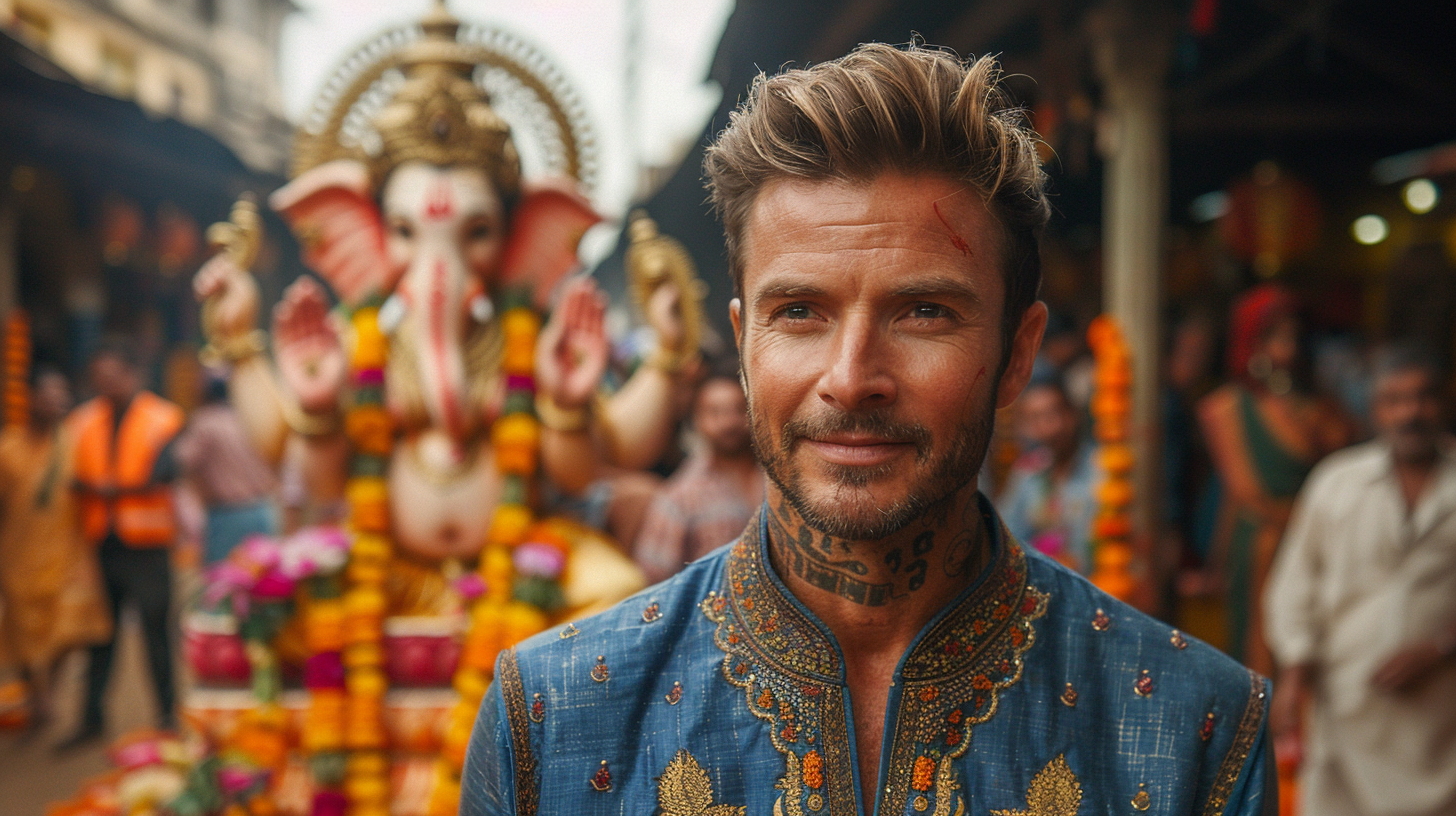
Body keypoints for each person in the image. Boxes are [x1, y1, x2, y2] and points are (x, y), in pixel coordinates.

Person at [463, 44, 1271, 816]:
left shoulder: (1191, 726)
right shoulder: (555, 715)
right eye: (801, 313)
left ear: (1016, 354)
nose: (851, 378)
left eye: (924, 312)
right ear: (744, 346)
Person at [1264, 345, 1456, 816]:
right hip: (1346, 705)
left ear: (1445, 404)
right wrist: (1292, 676)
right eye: (1395, 400)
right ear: (1376, 411)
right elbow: (1295, 583)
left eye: (1423, 398)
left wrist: (1439, 648)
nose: (1410, 412)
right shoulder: (1336, 482)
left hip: (1441, 721)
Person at [1197, 285, 1349, 675]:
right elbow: (1244, 494)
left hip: (1318, 543)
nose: (1290, 347)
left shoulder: (1321, 408)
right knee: (1254, 653)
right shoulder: (1227, 408)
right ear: (1252, 341)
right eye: (1276, 336)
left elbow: (1342, 473)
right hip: (1261, 545)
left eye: (1296, 336)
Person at [56, 343, 186, 749]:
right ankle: (90, 718)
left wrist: (108, 491)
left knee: (155, 633)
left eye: (114, 375)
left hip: (147, 546)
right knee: (99, 638)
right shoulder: (82, 422)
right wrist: (106, 492)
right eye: (100, 376)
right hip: (103, 546)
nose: (107, 383)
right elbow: (68, 476)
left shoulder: (164, 418)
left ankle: (167, 715)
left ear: (134, 374)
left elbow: (164, 472)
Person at [0, 367, 111, 732]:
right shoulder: (9, 449)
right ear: (31, 399)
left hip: (69, 554)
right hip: (19, 556)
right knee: (23, 633)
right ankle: (37, 697)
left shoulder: (77, 441)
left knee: (70, 628)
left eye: (62, 394)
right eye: (48, 395)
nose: (57, 402)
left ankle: (50, 693)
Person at [633, 355, 765, 583]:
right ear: (697, 421)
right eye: (715, 413)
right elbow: (653, 579)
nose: (729, 422)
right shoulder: (680, 495)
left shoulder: (783, 477)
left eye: (738, 409)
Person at [997, 377, 1100, 573]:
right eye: (1035, 418)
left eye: (1054, 413)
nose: (1048, 426)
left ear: (1073, 413)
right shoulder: (1027, 473)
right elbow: (1006, 537)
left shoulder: (1102, 469)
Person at [174, 374, 277, 564]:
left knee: (225, 583)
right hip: (262, 509)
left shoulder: (205, 422)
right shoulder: (248, 417)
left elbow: (179, 460)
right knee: (263, 578)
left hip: (228, 516)